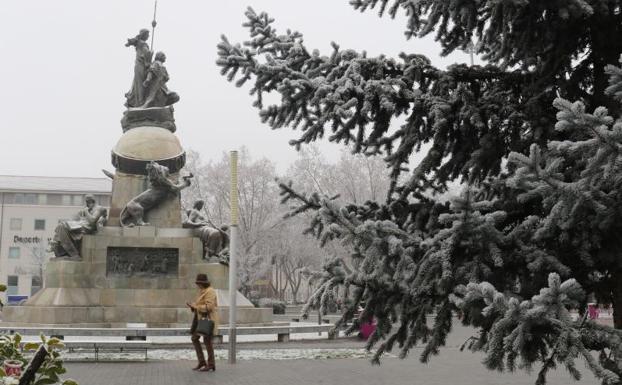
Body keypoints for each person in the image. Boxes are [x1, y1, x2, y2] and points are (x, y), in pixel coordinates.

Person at [49, 194, 107, 259]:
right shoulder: (87, 209)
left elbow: (92, 220)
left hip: (86, 228)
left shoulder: (99, 208)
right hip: (79, 225)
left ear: (93, 201)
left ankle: (73, 254)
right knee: (61, 226)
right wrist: (81, 214)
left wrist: (86, 211)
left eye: (89, 201)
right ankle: (57, 246)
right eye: (86, 201)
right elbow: (77, 218)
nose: (87, 203)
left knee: (62, 226)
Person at [187, 273, 219, 372]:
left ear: (203, 283)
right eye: (197, 283)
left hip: (207, 320)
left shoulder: (210, 291)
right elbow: (200, 305)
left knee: (207, 341)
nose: (198, 285)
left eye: (199, 283)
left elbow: (209, 307)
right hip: (199, 319)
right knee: (195, 338)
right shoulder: (202, 291)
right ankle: (202, 362)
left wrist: (196, 307)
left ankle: (211, 364)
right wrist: (193, 306)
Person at [124, 28, 152, 108]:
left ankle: (138, 100)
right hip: (141, 65)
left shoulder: (140, 43)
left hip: (139, 64)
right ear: (144, 35)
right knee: (139, 82)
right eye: (147, 34)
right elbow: (146, 53)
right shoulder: (142, 43)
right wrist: (150, 54)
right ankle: (140, 102)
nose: (149, 36)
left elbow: (133, 42)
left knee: (138, 82)